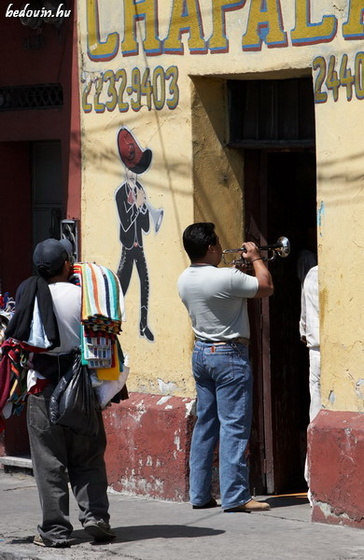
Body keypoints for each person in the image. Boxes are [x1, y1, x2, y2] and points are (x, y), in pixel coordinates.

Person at [6, 239, 115, 548]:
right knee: (89, 455)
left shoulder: (30, 297)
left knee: (49, 461)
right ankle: (96, 517)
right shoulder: (85, 296)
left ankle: (55, 531)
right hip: (83, 386)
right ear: (67, 264)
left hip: (42, 386)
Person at [177, 222, 274, 512]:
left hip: (202, 353)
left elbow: (229, 294)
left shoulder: (184, 278)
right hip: (229, 354)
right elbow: (266, 287)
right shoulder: (226, 277)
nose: (221, 248)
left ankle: (199, 494)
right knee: (234, 425)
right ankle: (235, 496)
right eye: (218, 244)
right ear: (210, 247)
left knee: (205, 425)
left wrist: (238, 272)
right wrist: (256, 257)